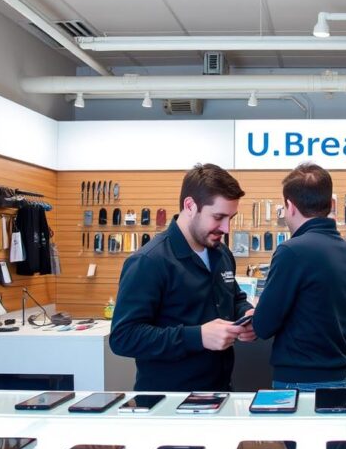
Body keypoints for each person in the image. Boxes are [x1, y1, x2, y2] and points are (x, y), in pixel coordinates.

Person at [109, 163, 255, 391]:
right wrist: (197, 337)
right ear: (190, 206)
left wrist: (246, 314)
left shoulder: (221, 253)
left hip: (219, 392)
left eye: (231, 218)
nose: (226, 228)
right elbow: (123, 337)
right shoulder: (149, 261)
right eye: (218, 217)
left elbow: (234, 297)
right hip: (168, 400)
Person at [252, 163, 346, 391]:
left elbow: (263, 326)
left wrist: (255, 312)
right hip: (345, 380)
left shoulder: (292, 251)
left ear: (290, 207)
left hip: (301, 383)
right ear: (331, 204)